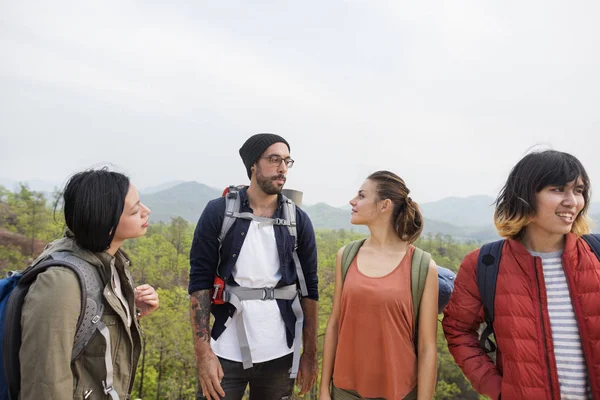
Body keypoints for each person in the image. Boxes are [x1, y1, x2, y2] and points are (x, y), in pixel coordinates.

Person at [443, 150, 600, 399]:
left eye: (579, 190)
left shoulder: (595, 255)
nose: (572, 201)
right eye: (558, 189)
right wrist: (497, 389)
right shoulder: (484, 264)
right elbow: (458, 330)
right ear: (525, 195)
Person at [189, 133, 319, 400]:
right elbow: (200, 283)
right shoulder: (218, 212)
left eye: (287, 161)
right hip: (225, 350)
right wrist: (203, 355)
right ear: (253, 166)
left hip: (281, 354)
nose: (282, 167)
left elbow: (310, 291)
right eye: (274, 159)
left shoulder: (298, 220)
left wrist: (309, 355)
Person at [17, 168, 159, 399]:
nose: (147, 212)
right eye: (135, 210)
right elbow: (45, 382)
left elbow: (87, 340)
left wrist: (133, 313)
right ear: (107, 223)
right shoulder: (61, 283)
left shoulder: (109, 264)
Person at [320, 170, 438, 400]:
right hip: (344, 391)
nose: (352, 201)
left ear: (384, 205)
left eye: (362, 196)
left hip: (399, 392)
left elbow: (427, 348)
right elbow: (334, 324)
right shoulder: (346, 256)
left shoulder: (423, 267)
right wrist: (324, 390)